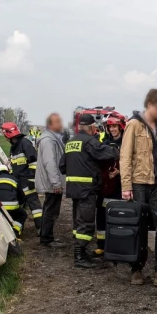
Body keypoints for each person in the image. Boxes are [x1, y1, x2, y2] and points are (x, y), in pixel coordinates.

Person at [120, 88, 157, 285]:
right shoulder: (134, 125)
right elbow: (124, 156)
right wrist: (126, 185)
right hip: (139, 182)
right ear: (149, 105)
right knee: (138, 228)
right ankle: (137, 269)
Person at [60, 112, 118, 269]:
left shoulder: (71, 142)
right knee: (86, 224)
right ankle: (79, 256)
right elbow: (106, 153)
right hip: (87, 190)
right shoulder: (90, 142)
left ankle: (81, 253)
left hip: (74, 190)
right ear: (92, 127)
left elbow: (62, 167)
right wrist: (117, 149)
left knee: (78, 222)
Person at [94, 113, 125, 256]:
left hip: (120, 185)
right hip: (106, 186)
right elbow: (99, 161)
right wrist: (107, 174)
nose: (112, 129)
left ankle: (117, 245)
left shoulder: (126, 142)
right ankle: (101, 245)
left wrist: (120, 171)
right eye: (110, 126)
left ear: (120, 127)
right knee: (102, 215)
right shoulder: (104, 142)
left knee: (118, 215)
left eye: (115, 126)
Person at [1, 121, 41, 233]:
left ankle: (41, 228)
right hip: (18, 182)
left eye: (5, 136)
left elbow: (34, 163)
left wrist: (32, 180)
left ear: (8, 134)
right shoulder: (13, 148)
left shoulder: (25, 144)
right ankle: (15, 229)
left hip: (27, 181)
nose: (4, 138)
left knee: (34, 205)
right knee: (19, 206)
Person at [34, 112, 66, 247]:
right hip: (51, 183)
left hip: (51, 182)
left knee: (50, 208)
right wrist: (56, 182)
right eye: (57, 121)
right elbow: (50, 162)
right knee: (51, 211)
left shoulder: (51, 138)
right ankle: (47, 239)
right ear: (50, 125)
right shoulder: (48, 140)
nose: (60, 123)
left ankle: (46, 236)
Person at [0, 163, 24, 237]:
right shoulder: (13, 179)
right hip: (12, 206)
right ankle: (16, 231)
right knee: (22, 215)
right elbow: (21, 197)